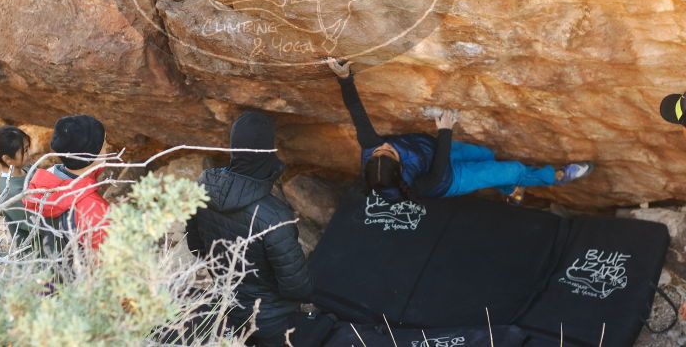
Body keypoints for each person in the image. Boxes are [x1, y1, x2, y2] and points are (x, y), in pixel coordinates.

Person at [327, 58, 594, 202]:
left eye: (381, 150)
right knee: (512, 169)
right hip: (450, 179)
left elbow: (357, 112)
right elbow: (441, 167)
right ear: (400, 168)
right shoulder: (418, 184)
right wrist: (445, 129)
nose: (385, 146)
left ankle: (507, 189)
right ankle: (555, 177)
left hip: (434, 152)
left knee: (487, 155)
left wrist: (343, 79)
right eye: (390, 152)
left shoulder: (373, 149)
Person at [185, 111, 313, 347]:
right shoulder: (276, 216)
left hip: (227, 309)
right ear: (268, 152)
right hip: (272, 323)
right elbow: (297, 289)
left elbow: (195, 247)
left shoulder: (202, 186)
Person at [23, 115, 110, 252]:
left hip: (56, 269)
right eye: (104, 144)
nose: (107, 148)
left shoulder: (42, 184)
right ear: (92, 156)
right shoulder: (95, 210)